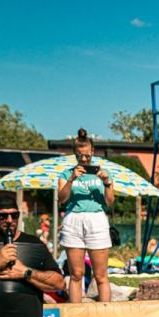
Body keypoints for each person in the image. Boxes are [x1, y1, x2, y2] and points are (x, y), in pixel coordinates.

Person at [57, 129, 116, 303]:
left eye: (87, 155)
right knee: (76, 274)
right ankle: (76, 313)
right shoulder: (66, 174)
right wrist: (71, 179)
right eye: (79, 156)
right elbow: (62, 199)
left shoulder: (104, 173)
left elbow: (110, 202)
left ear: (92, 152)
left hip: (96, 219)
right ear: (75, 154)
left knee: (101, 275)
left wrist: (107, 183)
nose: (83, 159)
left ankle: (105, 313)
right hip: (73, 220)